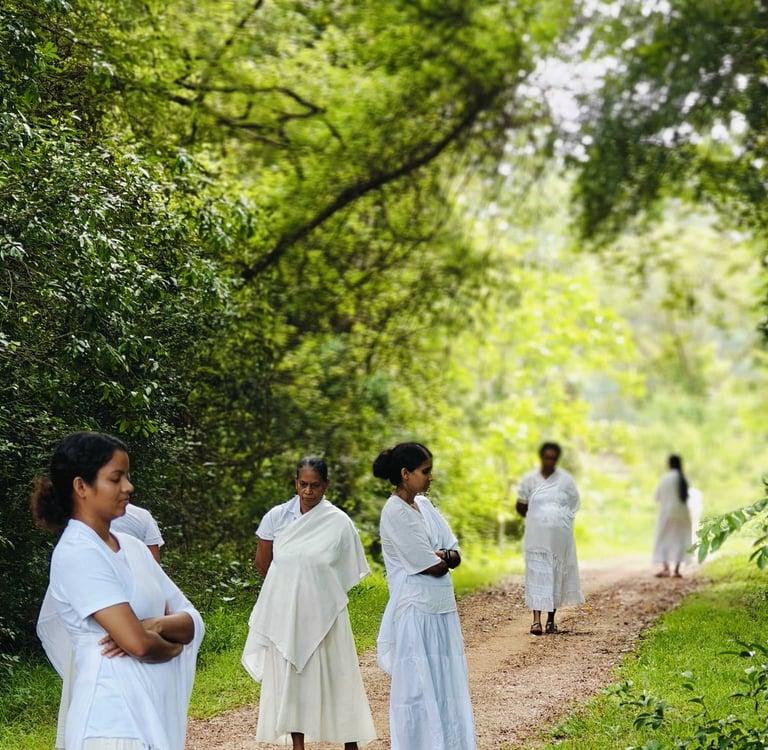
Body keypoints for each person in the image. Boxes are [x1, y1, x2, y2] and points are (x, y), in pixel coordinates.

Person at [32, 431, 204, 750]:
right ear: (81, 486)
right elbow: (137, 645)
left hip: (148, 713)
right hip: (110, 724)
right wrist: (173, 647)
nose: (128, 487)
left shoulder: (134, 548)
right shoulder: (78, 552)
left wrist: (155, 626)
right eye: (116, 478)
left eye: (127, 476)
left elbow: (192, 619)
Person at [241, 456, 376, 750]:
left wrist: (317, 591)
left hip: (327, 613)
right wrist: (289, 591)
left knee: (339, 675)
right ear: (295, 483)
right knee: (294, 678)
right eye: (303, 484)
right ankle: (298, 745)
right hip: (287, 612)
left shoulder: (339, 522)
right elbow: (264, 563)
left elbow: (346, 569)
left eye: (315, 485)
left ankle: (349, 743)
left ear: (325, 485)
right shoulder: (276, 517)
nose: (308, 491)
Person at [373, 442, 475, 750]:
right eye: (425, 471)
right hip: (416, 611)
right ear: (405, 474)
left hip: (442, 609)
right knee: (418, 690)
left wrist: (443, 555)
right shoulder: (394, 512)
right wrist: (441, 557)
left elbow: (454, 554)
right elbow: (433, 566)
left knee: (447, 686)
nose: (431, 478)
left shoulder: (426, 507)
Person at [516, 441, 584, 636]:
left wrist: (560, 519)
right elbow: (521, 504)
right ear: (541, 457)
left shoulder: (565, 481)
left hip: (558, 538)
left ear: (557, 460)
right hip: (537, 536)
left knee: (554, 574)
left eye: (553, 458)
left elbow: (574, 503)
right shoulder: (530, 480)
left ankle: (551, 620)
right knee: (537, 573)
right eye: (547, 457)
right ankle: (535, 621)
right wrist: (537, 516)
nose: (549, 461)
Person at [652, 454, 695, 578]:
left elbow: (657, 497)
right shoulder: (683, 478)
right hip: (683, 513)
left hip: (667, 513)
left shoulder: (666, 478)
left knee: (663, 538)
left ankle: (666, 568)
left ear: (669, 464)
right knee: (681, 539)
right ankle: (676, 570)